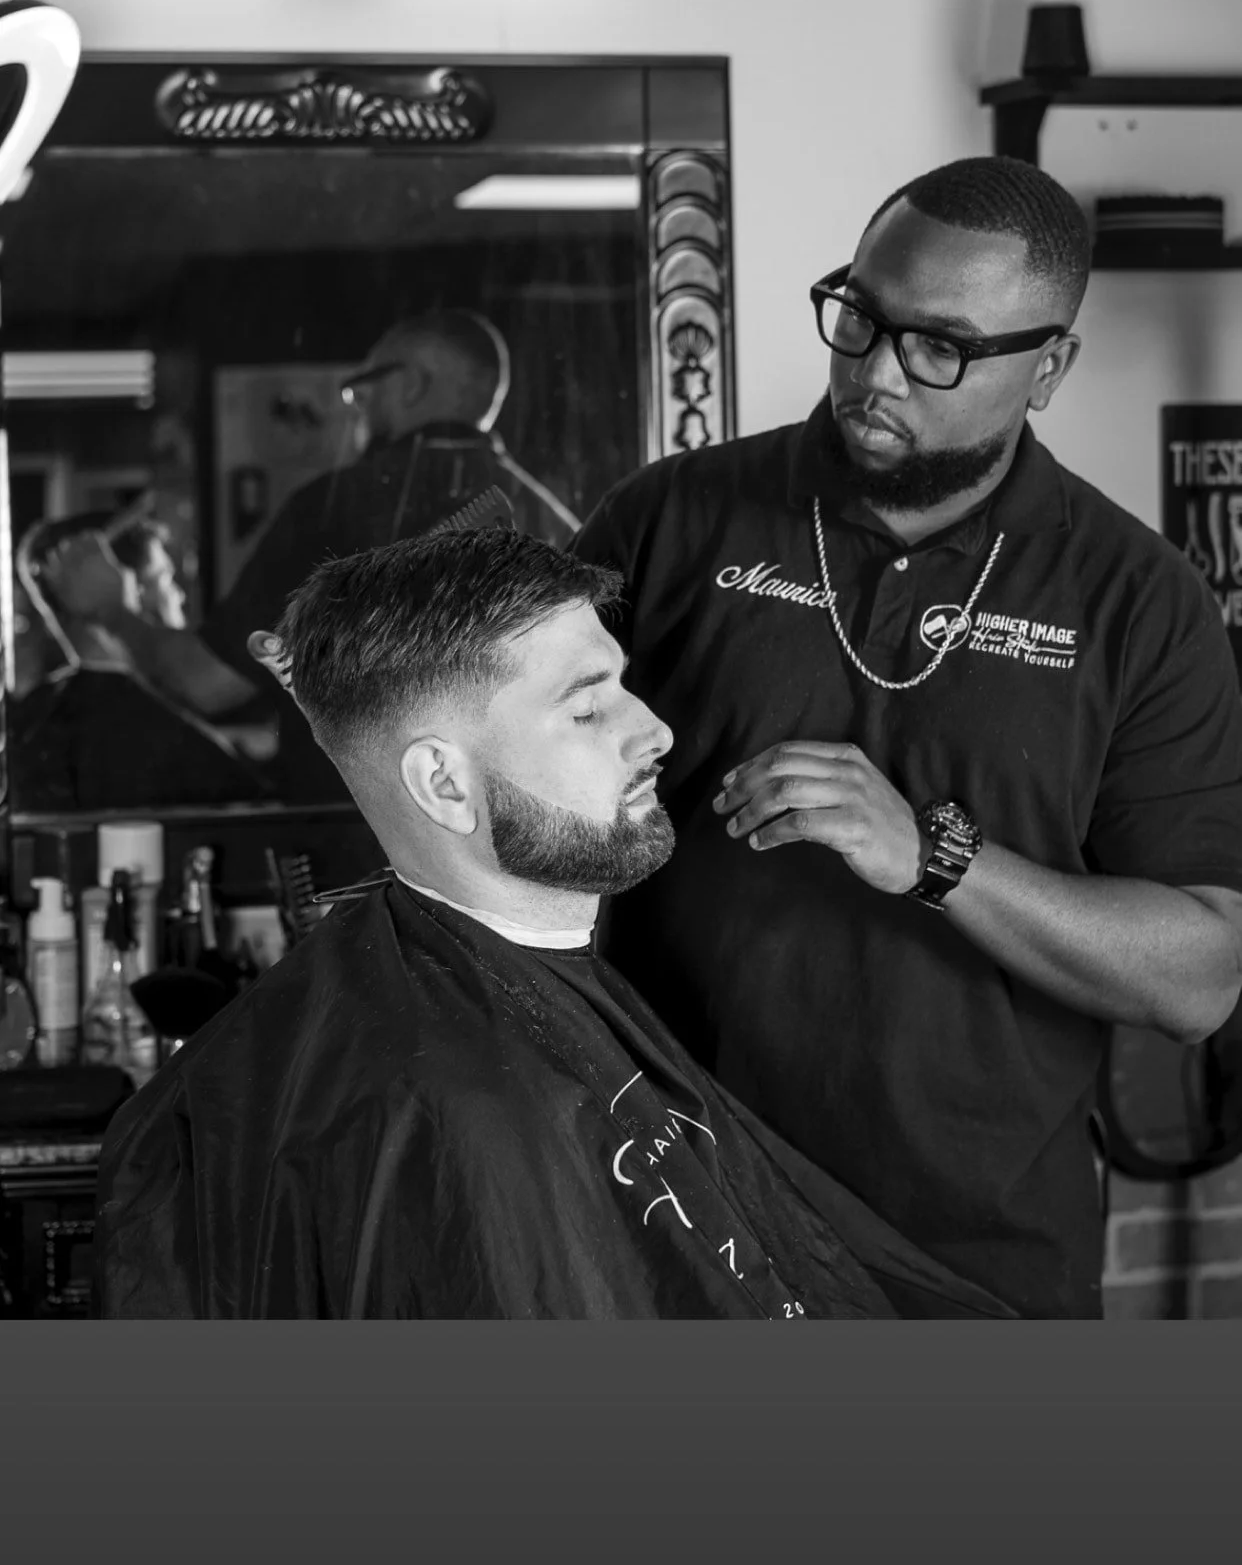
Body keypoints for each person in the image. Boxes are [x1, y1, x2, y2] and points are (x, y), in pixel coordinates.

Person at [570, 154, 1242, 1320]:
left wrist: (936, 858)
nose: (878, 372)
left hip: (974, 1264)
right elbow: (512, 778)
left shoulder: (1138, 598)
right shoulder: (670, 520)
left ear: (1049, 369)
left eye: (942, 347)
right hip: (668, 1218)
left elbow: (1198, 976)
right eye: (862, 318)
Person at [92, 527, 1014, 1320]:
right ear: (444, 784)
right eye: (587, 707)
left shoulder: (497, 1003)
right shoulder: (458, 1117)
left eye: (623, 686)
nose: (655, 730)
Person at [38, 309, 581, 801]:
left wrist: (111, 609)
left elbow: (208, 683)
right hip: (525, 840)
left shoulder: (333, 509)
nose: (356, 410)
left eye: (362, 390)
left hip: (361, 852)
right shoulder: (554, 521)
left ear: (412, 384)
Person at [9, 511, 270, 814]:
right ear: (121, 586)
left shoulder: (36, 724)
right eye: (165, 578)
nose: (179, 596)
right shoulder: (133, 731)